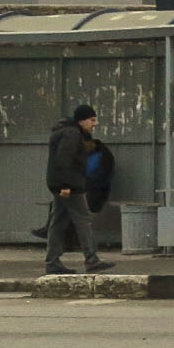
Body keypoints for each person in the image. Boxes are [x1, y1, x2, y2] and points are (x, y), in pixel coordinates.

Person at [42, 105, 111, 274]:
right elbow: (64, 159)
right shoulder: (72, 134)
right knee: (83, 220)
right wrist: (65, 185)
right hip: (70, 186)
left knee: (58, 222)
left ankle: (52, 262)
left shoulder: (66, 132)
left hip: (61, 184)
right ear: (82, 120)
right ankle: (91, 259)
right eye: (92, 120)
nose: (95, 124)